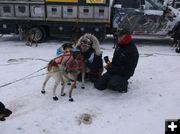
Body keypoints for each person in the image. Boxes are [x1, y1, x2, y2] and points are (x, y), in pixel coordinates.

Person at [94, 28, 139, 92]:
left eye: (121, 36)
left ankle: (123, 85)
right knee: (99, 85)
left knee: (113, 85)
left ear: (127, 36)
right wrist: (109, 64)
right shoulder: (119, 45)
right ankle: (112, 79)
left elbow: (128, 69)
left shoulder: (131, 50)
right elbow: (116, 61)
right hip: (114, 71)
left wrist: (113, 69)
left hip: (124, 73)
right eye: (118, 36)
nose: (119, 38)